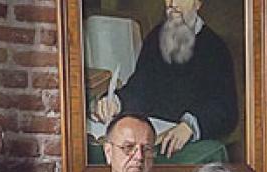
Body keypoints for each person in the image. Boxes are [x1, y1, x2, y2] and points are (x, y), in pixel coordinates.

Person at [92, 0, 238, 158]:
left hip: (191, 142)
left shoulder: (215, 48)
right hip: (151, 138)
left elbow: (226, 109)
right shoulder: (155, 38)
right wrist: (116, 102)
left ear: (198, 3)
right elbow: (140, 87)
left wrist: (190, 126)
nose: (172, 3)